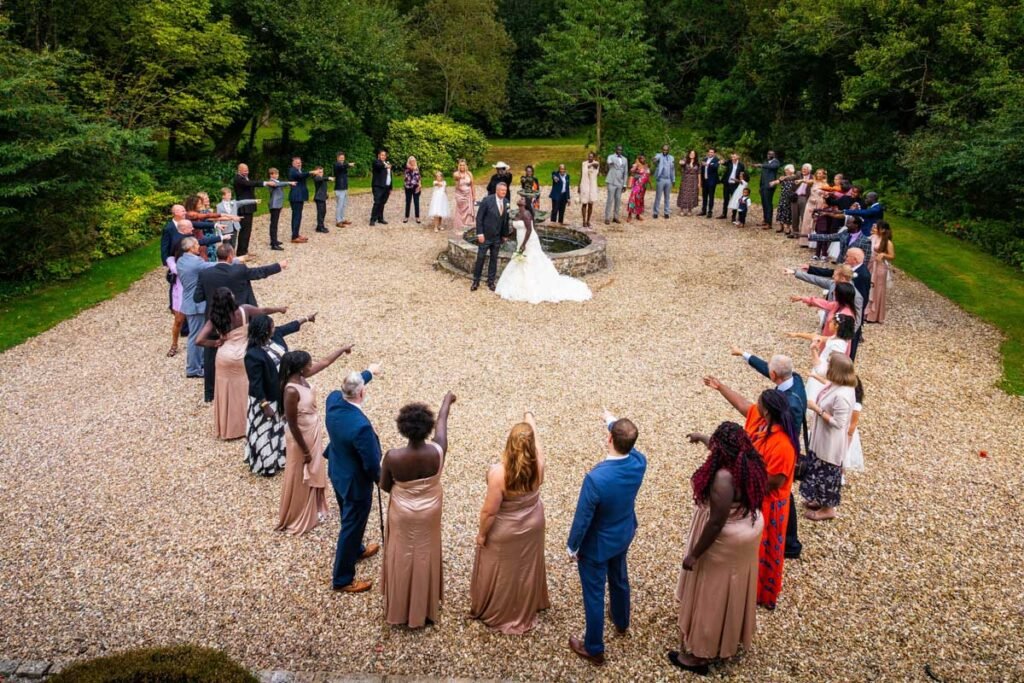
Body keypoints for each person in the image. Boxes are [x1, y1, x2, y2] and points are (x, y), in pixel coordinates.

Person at [673, 422, 767, 675]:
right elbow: (722, 449)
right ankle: (730, 634)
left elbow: (716, 522)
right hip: (751, 525)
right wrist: (702, 437)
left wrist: (694, 554)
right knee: (733, 587)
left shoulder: (723, 478)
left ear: (721, 448)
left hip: (728, 538)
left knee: (712, 591)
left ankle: (699, 655)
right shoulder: (749, 459)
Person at [698, 382, 797, 610]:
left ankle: (761, 593)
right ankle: (744, 587)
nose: (755, 405)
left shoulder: (783, 446)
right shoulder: (761, 421)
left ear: (767, 411)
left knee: (764, 548)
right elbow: (742, 404)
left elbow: (775, 482)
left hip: (769, 504)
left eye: (759, 403)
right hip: (753, 495)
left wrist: (737, 484)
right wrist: (720, 387)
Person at [567, 411, 647, 666]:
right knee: (620, 578)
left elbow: (583, 519)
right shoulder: (639, 462)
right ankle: (622, 621)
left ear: (609, 439)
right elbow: (632, 448)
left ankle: (594, 647)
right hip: (623, 533)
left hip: (597, 545)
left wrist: (572, 546)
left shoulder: (596, 479)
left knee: (594, 594)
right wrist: (613, 423)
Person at [379, 392, 456, 628]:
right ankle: (426, 606)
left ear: (403, 429)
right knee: (426, 552)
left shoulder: (393, 457)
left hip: (402, 510)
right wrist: (446, 401)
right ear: (427, 428)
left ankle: (400, 606)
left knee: (401, 553)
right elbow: (442, 423)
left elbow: (384, 486)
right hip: (430, 510)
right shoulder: (437, 451)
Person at [470, 411, 550, 634]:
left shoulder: (499, 473)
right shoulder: (540, 464)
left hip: (506, 528)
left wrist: (482, 535)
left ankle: (499, 610)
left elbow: (489, 512)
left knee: (500, 569)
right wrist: (530, 418)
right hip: (533, 522)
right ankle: (526, 604)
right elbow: (538, 444)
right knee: (525, 566)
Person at [730, 348, 806, 560]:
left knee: (784, 494)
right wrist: (745, 355)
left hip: (776, 477)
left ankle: (789, 543)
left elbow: (771, 483)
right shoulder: (795, 379)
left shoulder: (786, 418)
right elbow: (770, 371)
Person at [195, 244, 287, 403]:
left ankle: (211, 393)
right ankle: (249, 383)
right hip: (239, 318)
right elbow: (259, 273)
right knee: (248, 349)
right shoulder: (239, 270)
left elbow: (198, 297)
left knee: (211, 356)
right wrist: (279, 266)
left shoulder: (204, 274)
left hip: (215, 317)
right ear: (230, 256)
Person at [276, 346, 354, 534]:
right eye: (308, 364)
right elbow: (292, 424)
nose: (311, 365)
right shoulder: (291, 391)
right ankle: (298, 513)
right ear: (300, 368)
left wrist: (342, 349)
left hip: (312, 429)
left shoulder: (302, 377)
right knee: (300, 469)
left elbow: (325, 362)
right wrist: (304, 450)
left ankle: (313, 507)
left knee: (314, 468)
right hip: (300, 436)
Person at [196, 288, 286, 440]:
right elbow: (262, 310)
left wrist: (215, 342)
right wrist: (279, 309)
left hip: (225, 356)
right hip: (244, 353)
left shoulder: (215, 319)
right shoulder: (243, 310)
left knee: (228, 391)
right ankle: (249, 421)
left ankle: (230, 428)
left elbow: (199, 340)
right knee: (248, 387)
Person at [326, 363, 384, 593]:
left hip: (338, 471)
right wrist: (382, 480)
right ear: (362, 393)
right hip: (355, 482)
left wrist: (369, 372)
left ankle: (357, 549)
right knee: (351, 523)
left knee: (347, 515)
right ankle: (342, 578)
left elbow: (348, 385)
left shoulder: (333, 400)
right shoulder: (361, 427)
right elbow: (370, 462)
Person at [244, 312, 316, 476]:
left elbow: (289, 327)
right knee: (266, 430)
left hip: (280, 392)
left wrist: (306, 318)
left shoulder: (274, 337)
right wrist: (264, 405)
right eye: (272, 326)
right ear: (265, 330)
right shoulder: (253, 355)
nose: (274, 328)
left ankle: (281, 458)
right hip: (265, 398)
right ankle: (265, 464)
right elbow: (255, 383)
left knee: (280, 428)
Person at [495, 197, 591, 304]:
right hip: (520, 238)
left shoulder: (526, 214)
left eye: (522, 199)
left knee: (530, 258)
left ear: (525, 203)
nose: (520, 199)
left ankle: (533, 284)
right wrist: (507, 236)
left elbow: (529, 230)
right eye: (520, 198)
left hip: (529, 240)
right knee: (521, 260)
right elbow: (515, 229)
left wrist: (523, 244)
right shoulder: (517, 214)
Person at [801, 354, 858, 521]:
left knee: (827, 473)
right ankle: (819, 500)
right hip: (822, 438)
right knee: (818, 470)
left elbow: (839, 423)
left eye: (829, 364)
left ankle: (828, 509)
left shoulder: (842, 396)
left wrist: (817, 409)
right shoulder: (838, 385)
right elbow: (827, 384)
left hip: (831, 443)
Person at [788, 313, 855, 403]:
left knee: (813, 397)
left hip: (822, 373)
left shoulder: (838, 345)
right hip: (819, 368)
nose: (829, 323)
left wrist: (813, 350)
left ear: (837, 326)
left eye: (832, 322)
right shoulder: (835, 338)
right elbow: (818, 337)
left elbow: (827, 368)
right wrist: (797, 334)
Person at [176, 237, 217, 378]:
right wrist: (235, 261)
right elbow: (214, 266)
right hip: (196, 304)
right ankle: (193, 368)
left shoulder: (181, 260)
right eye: (197, 244)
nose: (199, 246)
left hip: (189, 301)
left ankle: (200, 362)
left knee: (198, 334)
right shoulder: (195, 262)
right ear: (191, 248)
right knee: (196, 336)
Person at [471, 183, 511, 292]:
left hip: (497, 237)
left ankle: (491, 281)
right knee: (480, 258)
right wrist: (480, 234)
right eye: (502, 190)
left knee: (494, 259)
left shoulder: (507, 202)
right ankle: (476, 281)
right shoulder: (487, 200)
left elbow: (506, 220)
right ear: (497, 190)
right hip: (485, 236)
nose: (504, 192)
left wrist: (505, 234)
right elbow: (479, 218)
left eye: (505, 190)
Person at [791, 281, 856, 337]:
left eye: (835, 291)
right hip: (827, 340)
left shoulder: (846, 315)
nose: (833, 292)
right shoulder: (838, 305)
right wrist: (803, 298)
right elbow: (824, 303)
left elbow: (842, 339)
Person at [233, 163, 272, 256]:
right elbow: (250, 184)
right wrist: (265, 183)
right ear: (239, 170)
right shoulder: (238, 179)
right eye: (245, 170)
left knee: (248, 230)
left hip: (248, 207)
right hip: (244, 208)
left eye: (247, 170)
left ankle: (244, 250)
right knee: (245, 230)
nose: (247, 172)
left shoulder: (245, 178)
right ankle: (241, 252)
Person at [866, 221, 894, 323]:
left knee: (877, 289)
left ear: (882, 230)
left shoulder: (887, 242)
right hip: (871, 264)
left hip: (880, 267)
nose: (874, 229)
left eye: (876, 227)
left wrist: (883, 254)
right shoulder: (874, 237)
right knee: (870, 287)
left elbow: (892, 256)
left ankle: (874, 315)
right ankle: (867, 312)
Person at [265, 168, 295, 251]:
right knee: (273, 224)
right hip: (274, 205)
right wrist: (289, 182)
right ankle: (273, 243)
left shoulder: (277, 181)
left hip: (277, 204)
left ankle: (274, 240)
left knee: (275, 223)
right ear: (271, 175)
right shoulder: (271, 182)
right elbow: (278, 185)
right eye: (274, 174)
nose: (276, 175)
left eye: (277, 174)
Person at [798, 168, 828, 247]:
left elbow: (827, 195)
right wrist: (801, 180)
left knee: (815, 222)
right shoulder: (813, 181)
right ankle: (804, 242)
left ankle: (814, 242)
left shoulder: (826, 184)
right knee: (807, 220)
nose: (819, 175)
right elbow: (807, 181)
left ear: (823, 175)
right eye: (817, 173)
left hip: (819, 203)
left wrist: (824, 196)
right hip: (810, 202)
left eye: (820, 173)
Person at [287, 156, 313, 244]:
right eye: (297, 162)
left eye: (300, 162)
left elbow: (302, 176)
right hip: (296, 197)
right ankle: (294, 236)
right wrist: (311, 172)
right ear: (293, 163)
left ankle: (296, 234)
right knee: (296, 216)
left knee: (298, 216)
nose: (299, 164)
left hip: (299, 197)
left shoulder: (299, 170)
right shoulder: (292, 171)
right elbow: (300, 176)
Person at [753, 150, 781, 227]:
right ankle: (765, 220)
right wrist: (761, 186)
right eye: (768, 154)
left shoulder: (776, 162)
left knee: (768, 204)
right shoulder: (766, 162)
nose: (768, 155)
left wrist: (761, 165)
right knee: (764, 203)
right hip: (763, 186)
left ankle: (769, 223)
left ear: (774, 155)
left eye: (770, 154)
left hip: (769, 186)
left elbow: (772, 167)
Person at [770, 164, 798, 235]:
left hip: (790, 197)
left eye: (787, 170)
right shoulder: (783, 177)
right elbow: (778, 181)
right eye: (785, 170)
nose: (786, 171)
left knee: (788, 212)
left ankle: (788, 227)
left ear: (791, 170)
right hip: (783, 197)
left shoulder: (795, 177)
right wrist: (773, 183)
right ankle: (781, 226)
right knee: (781, 210)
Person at [845, 379, 865, 474]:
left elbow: (853, 424)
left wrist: (849, 436)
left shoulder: (856, 405)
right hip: (842, 427)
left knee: (844, 456)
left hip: (847, 431)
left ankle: (841, 476)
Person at [605, 145, 628, 225]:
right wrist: (614, 162)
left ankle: (616, 217)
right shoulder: (611, 156)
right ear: (615, 150)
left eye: (621, 150)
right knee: (610, 199)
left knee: (618, 200)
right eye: (618, 149)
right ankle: (607, 217)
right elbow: (609, 162)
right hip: (611, 180)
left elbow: (625, 173)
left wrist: (624, 184)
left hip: (620, 182)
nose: (619, 151)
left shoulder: (625, 159)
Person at [370, 149, 393, 225]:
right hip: (378, 186)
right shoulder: (376, 162)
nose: (383, 156)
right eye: (382, 155)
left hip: (386, 187)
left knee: (382, 203)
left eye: (384, 155)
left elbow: (390, 176)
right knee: (377, 202)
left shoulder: (387, 164)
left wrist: (390, 187)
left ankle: (380, 218)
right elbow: (379, 166)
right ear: (378, 155)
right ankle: (372, 219)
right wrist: (386, 165)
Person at [652, 144, 675, 219]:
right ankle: (655, 212)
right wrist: (654, 159)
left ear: (668, 150)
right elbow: (655, 159)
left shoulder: (671, 158)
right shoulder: (659, 155)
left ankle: (666, 212)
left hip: (668, 179)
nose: (665, 151)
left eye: (666, 150)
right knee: (658, 197)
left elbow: (672, 169)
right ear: (662, 150)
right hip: (661, 179)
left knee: (667, 197)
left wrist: (673, 179)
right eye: (663, 150)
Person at [719, 153, 744, 220]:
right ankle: (724, 214)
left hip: (735, 185)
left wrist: (739, 181)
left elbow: (742, 175)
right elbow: (724, 162)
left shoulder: (741, 165)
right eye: (732, 157)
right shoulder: (729, 162)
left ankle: (733, 216)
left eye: (734, 157)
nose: (733, 158)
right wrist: (722, 161)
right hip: (727, 184)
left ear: (738, 157)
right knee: (726, 199)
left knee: (735, 200)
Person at [333, 151, 355, 227]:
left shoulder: (343, 165)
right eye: (341, 158)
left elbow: (344, 167)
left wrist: (347, 165)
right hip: (339, 188)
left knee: (344, 204)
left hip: (344, 188)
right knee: (340, 205)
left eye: (343, 157)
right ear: (337, 158)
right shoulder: (336, 165)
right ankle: (338, 221)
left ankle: (342, 219)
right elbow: (341, 167)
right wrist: (348, 164)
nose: (342, 159)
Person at [791, 164, 813, 239]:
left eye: (805, 169)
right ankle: (795, 232)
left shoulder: (812, 177)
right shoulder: (798, 175)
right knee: (794, 215)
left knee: (804, 216)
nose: (803, 170)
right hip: (795, 196)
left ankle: (803, 234)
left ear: (809, 170)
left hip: (804, 197)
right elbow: (791, 178)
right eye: (802, 169)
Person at [452, 159, 475, 230]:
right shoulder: (456, 173)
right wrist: (459, 177)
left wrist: (474, 195)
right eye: (461, 165)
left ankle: (467, 225)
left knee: (468, 209)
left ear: (466, 166)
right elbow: (456, 178)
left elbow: (472, 185)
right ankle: (460, 226)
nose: (462, 166)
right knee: (461, 210)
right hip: (460, 195)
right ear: (459, 166)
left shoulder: (469, 174)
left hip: (468, 194)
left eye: (463, 165)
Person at [626, 155, 650, 223]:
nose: (643, 159)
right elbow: (631, 172)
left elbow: (648, 175)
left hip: (643, 186)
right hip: (637, 185)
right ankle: (629, 214)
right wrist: (636, 167)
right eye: (641, 158)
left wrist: (650, 184)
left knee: (640, 200)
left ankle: (638, 214)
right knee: (633, 199)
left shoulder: (646, 166)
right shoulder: (636, 165)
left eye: (644, 158)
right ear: (639, 159)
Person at [579, 152, 600, 227]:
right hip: (584, 184)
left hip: (592, 185)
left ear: (593, 157)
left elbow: (596, 166)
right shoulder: (584, 163)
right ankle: (584, 220)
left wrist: (590, 164)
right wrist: (579, 185)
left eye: (591, 157)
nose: (590, 158)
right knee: (584, 203)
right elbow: (581, 174)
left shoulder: (596, 163)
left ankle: (588, 220)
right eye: (589, 156)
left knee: (590, 204)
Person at [677, 150, 701, 216]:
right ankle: (681, 209)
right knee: (683, 194)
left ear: (695, 155)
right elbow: (681, 164)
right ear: (689, 154)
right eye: (691, 153)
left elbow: (699, 173)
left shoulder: (697, 163)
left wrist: (699, 183)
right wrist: (681, 162)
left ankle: (690, 210)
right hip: (685, 180)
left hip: (694, 180)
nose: (692, 154)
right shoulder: (685, 161)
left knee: (692, 195)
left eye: (693, 153)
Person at [700, 149, 720, 218]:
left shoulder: (716, 160)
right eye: (709, 152)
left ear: (714, 153)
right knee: (704, 196)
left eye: (712, 152)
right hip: (705, 180)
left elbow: (715, 167)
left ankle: (710, 211)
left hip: (712, 181)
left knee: (711, 196)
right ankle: (703, 210)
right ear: (708, 152)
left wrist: (707, 164)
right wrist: (701, 180)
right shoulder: (704, 159)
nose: (710, 153)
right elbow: (702, 170)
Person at [313, 166, 332, 233]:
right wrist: (328, 178)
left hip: (322, 197)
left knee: (323, 211)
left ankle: (320, 226)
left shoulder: (322, 178)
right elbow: (320, 179)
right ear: (316, 172)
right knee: (320, 212)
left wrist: (326, 193)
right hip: (319, 197)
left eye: (322, 172)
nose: (321, 173)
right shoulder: (316, 178)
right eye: (319, 172)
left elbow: (324, 186)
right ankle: (320, 227)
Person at [402, 156, 422, 224]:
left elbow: (419, 177)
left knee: (416, 202)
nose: (412, 162)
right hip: (408, 187)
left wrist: (420, 185)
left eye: (413, 161)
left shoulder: (417, 168)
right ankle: (406, 217)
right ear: (409, 161)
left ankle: (417, 217)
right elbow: (405, 177)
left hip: (415, 187)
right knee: (408, 202)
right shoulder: (406, 168)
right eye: (411, 161)